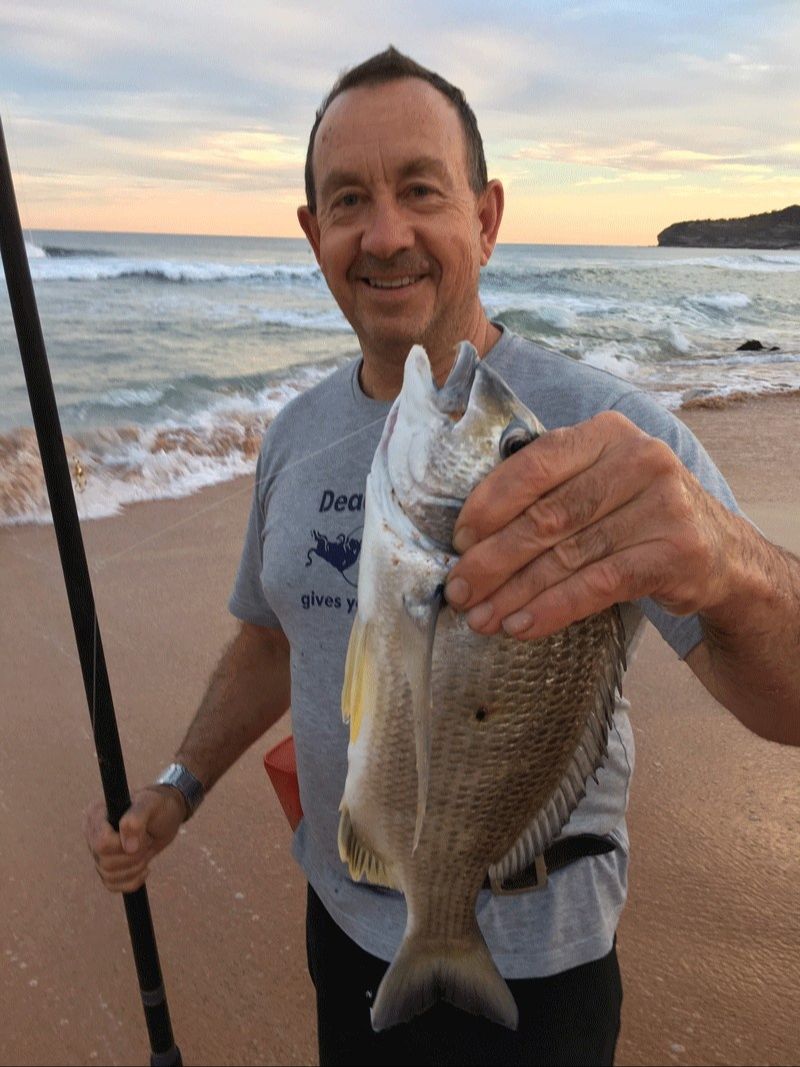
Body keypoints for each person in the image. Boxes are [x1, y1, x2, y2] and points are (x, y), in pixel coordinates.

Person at [84, 47, 800, 1066]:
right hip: (344, 924)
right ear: (314, 235)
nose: (384, 234)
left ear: (486, 217)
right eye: (348, 200)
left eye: (420, 190)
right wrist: (177, 785)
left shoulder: (613, 433)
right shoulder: (293, 433)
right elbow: (273, 636)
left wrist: (728, 560)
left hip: (541, 963)